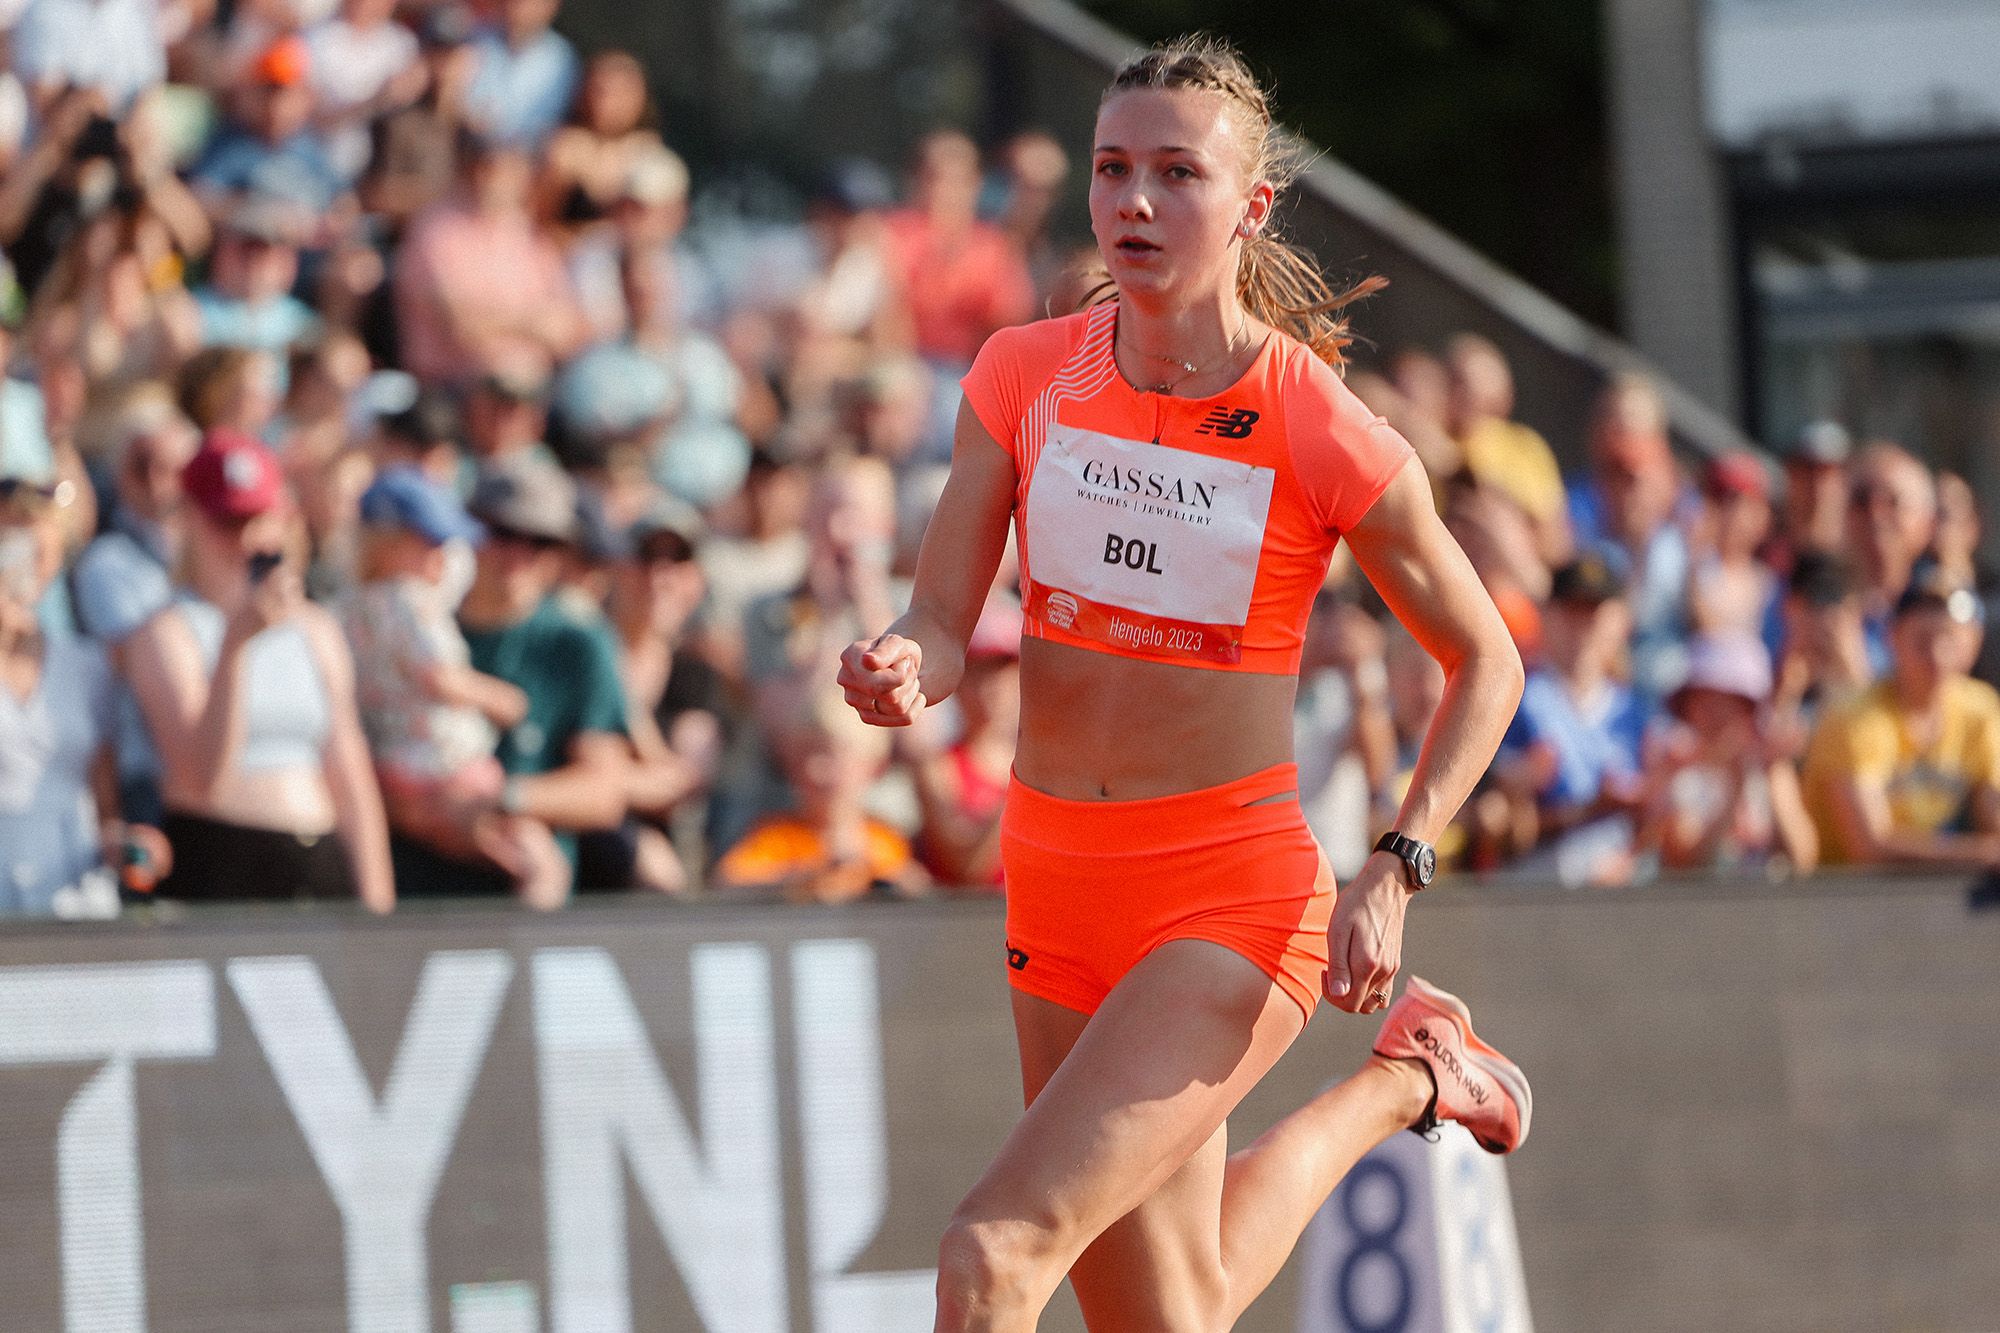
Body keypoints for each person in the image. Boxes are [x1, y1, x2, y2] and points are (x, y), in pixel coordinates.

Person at [836, 38, 1530, 1329]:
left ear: (1250, 205)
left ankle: (1414, 1071)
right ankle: (1412, 1082)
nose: (1134, 202)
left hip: (1231, 888)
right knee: (1173, 1314)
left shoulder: (1317, 422)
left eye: (1174, 172)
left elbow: (1484, 657)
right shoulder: (1024, 373)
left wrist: (1400, 857)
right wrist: (900, 669)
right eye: (1111, 170)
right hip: (1054, 872)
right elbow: (942, 614)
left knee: (990, 1256)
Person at [121, 429, 394, 908]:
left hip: (317, 863)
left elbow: (349, 773)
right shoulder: (166, 633)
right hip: (221, 864)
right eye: (226, 522)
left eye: (256, 518)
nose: (245, 540)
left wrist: (377, 903)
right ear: (189, 518)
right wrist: (235, 645)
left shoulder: (315, 629)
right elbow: (203, 779)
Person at [339, 466, 569, 907]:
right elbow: (440, 677)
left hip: (389, 764)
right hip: (444, 765)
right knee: (541, 864)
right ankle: (539, 951)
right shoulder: (409, 601)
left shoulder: (345, 607)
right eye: (430, 542)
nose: (442, 556)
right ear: (388, 544)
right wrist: (505, 701)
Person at [0, 468, 170, 915]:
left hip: (72, 906)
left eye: (35, 552)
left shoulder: (87, 666)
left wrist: (129, 845)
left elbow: (103, 805)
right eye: (7, 548)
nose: (18, 568)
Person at [1802, 559, 2000, 869]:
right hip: (1833, 901)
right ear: (1893, 638)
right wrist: (1981, 854)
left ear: (1973, 643)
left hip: (1926, 901)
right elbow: (1871, 847)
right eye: (1923, 640)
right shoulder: (1854, 719)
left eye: (1950, 638)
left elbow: (1993, 813)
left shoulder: (1981, 710)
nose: (1938, 656)